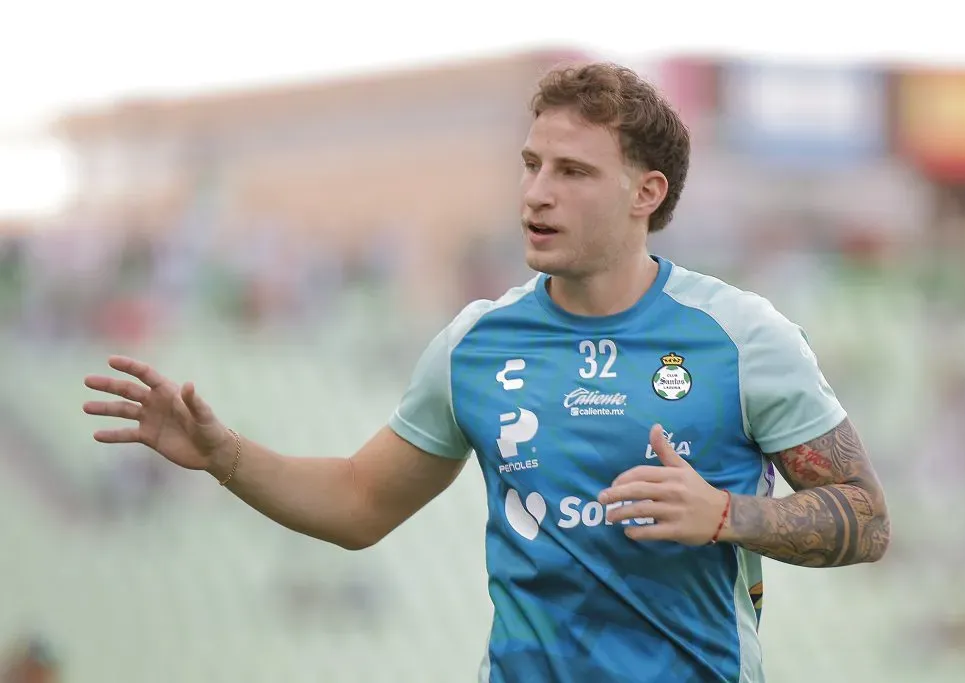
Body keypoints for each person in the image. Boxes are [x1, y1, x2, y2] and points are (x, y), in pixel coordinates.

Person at [83, 62, 891, 683]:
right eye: (531, 164)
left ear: (647, 191)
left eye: (571, 172)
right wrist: (225, 456)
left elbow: (865, 518)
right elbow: (361, 502)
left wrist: (726, 514)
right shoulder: (477, 341)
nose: (537, 193)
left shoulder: (742, 336)